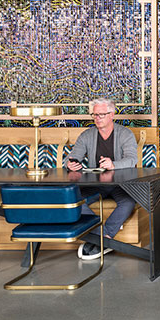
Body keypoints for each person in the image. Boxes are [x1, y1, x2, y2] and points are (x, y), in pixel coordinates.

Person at [66, 98, 139, 261]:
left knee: (128, 202)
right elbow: (72, 157)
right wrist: (71, 164)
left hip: (120, 185)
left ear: (112, 114)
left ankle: (101, 238)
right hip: (95, 184)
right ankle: (103, 238)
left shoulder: (125, 134)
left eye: (101, 114)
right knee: (75, 201)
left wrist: (113, 164)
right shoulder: (87, 135)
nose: (97, 118)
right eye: (94, 115)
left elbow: (132, 159)